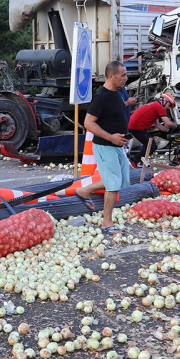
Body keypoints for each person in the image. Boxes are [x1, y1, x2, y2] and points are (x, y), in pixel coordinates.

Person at [74, 61, 132, 235]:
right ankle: (107, 223)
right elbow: (88, 123)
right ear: (111, 76)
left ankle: (84, 191)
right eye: (123, 75)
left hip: (116, 145)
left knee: (121, 180)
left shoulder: (116, 93)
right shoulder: (102, 96)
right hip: (105, 145)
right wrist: (111, 137)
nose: (126, 78)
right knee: (113, 184)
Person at [127, 93, 177, 163]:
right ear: (165, 101)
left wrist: (168, 131)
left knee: (148, 145)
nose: (168, 108)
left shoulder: (155, 105)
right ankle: (133, 161)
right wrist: (177, 127)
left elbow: (158, 125)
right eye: (169, 105)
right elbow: (168, 123)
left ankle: (136, 160)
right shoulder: (160, 107)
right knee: (151, 146)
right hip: (137, 127)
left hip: (134, 126)